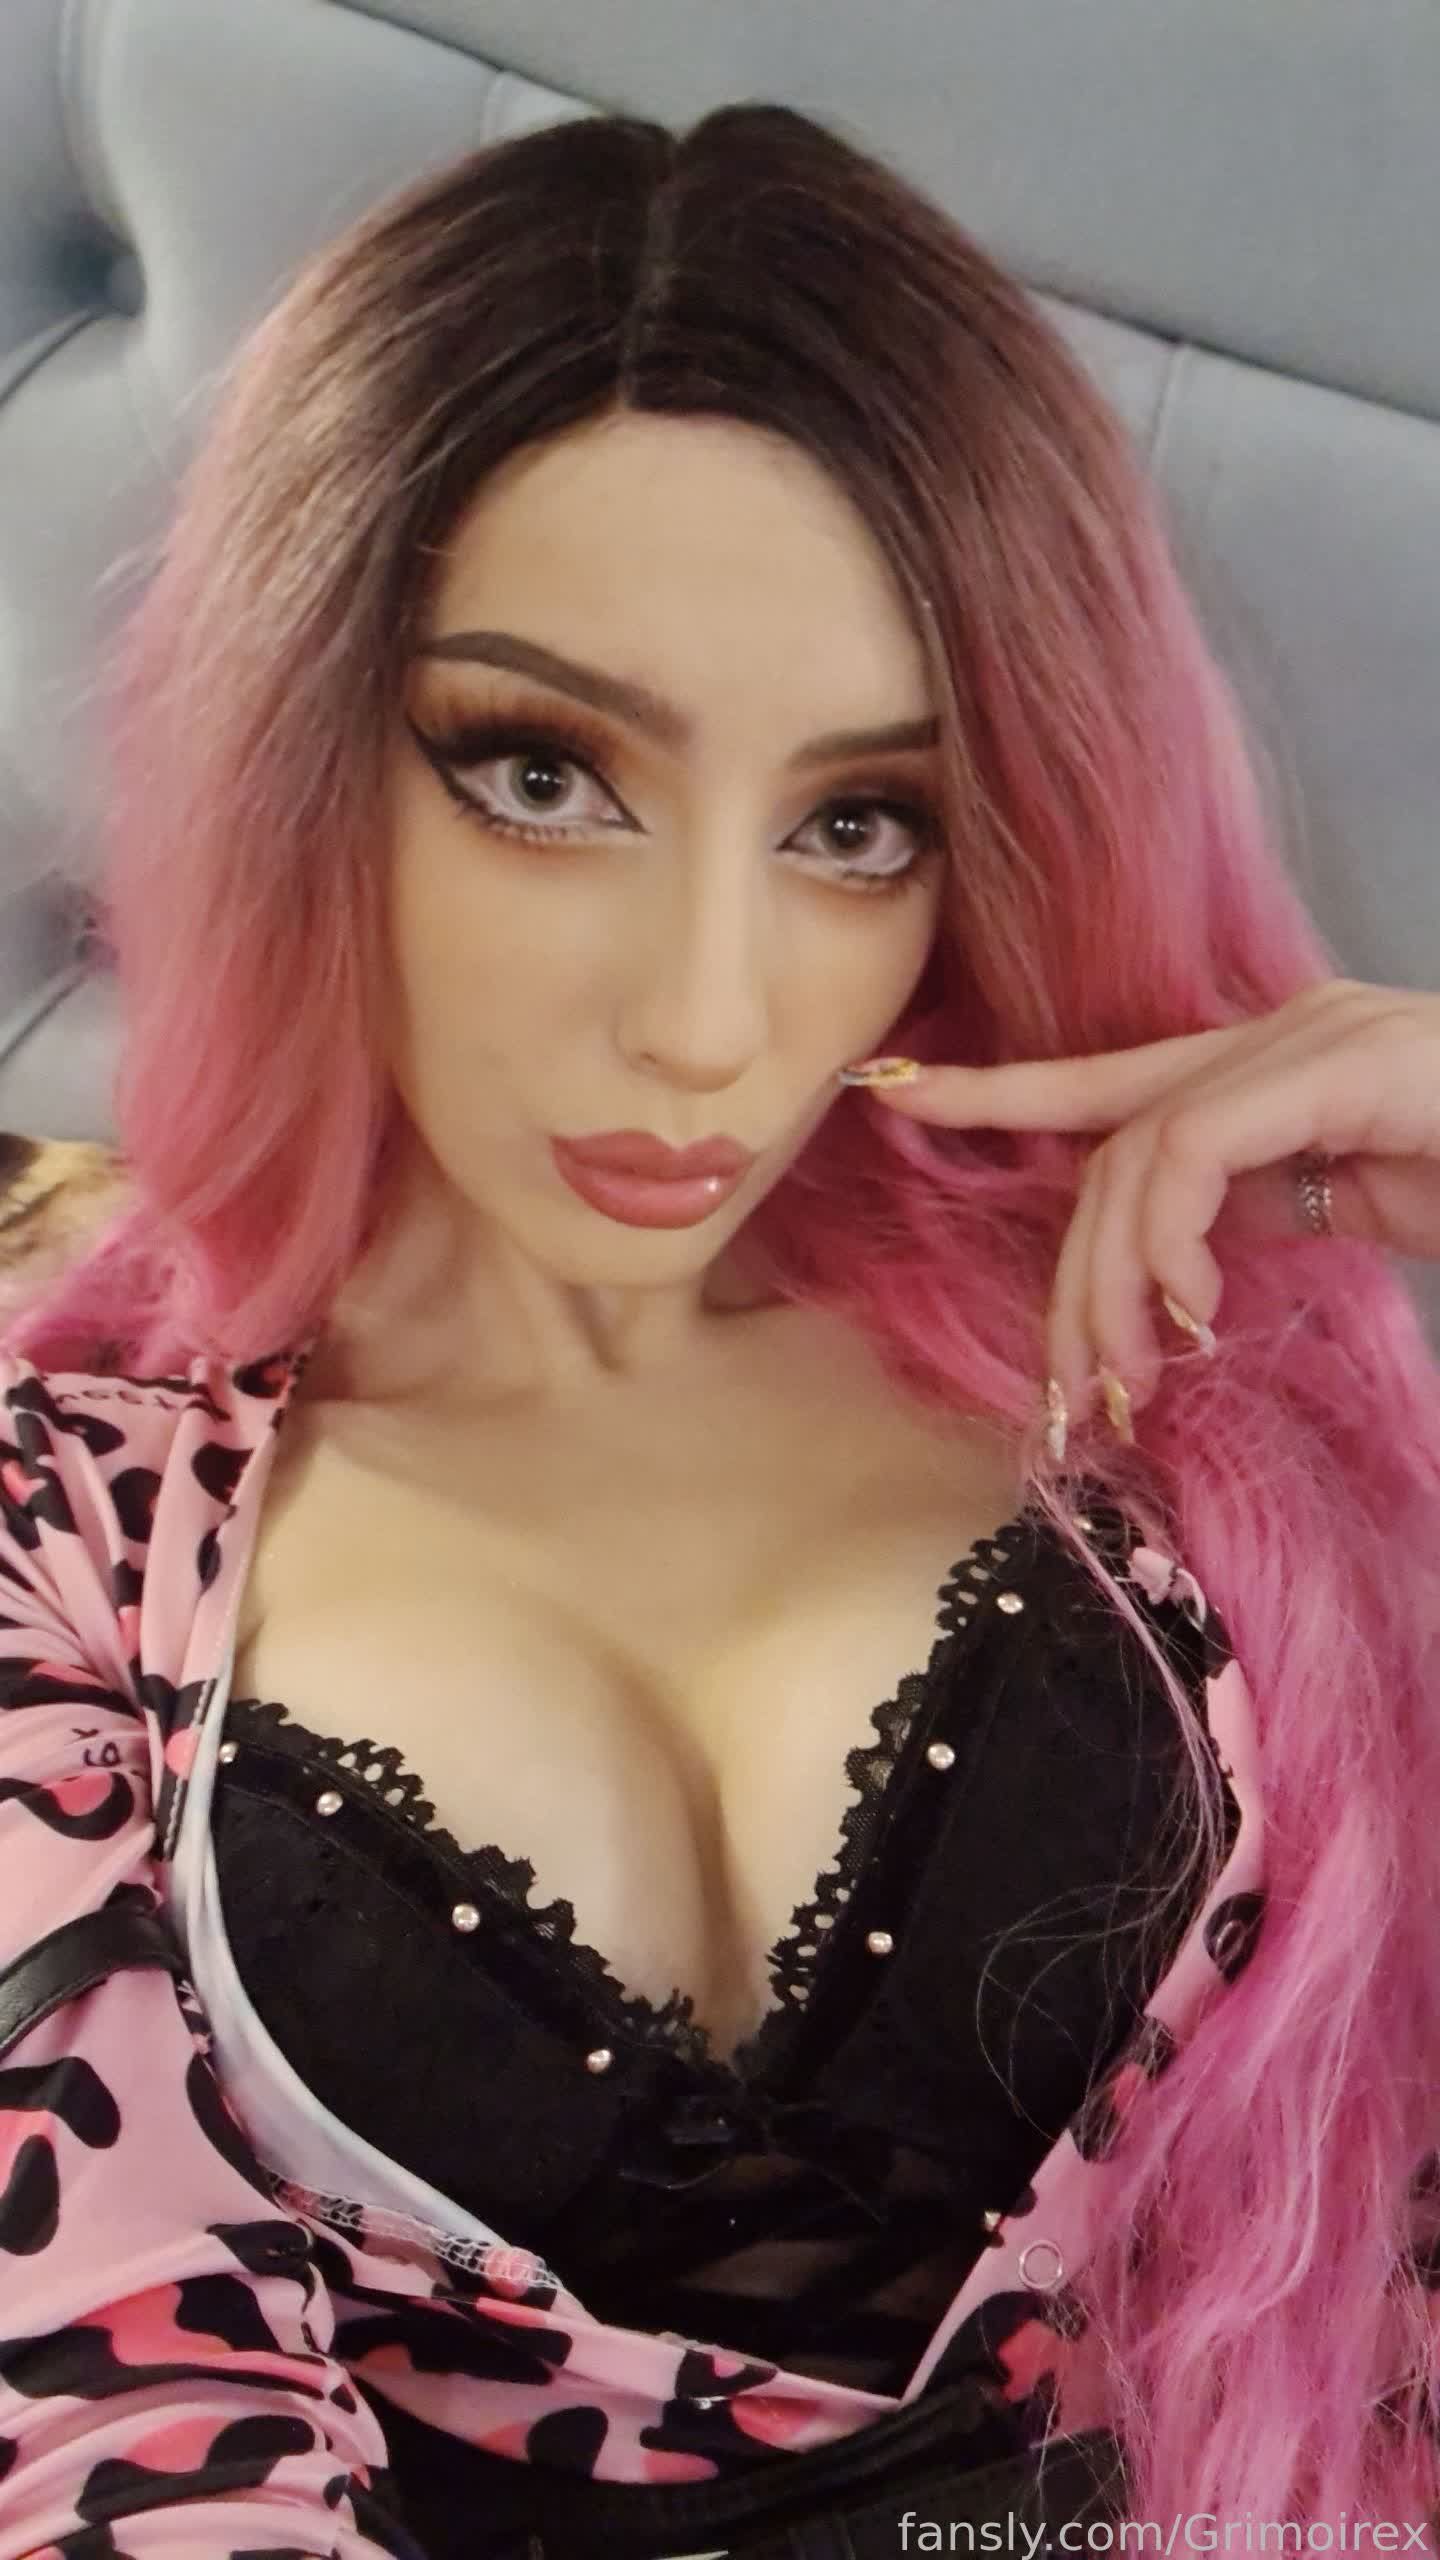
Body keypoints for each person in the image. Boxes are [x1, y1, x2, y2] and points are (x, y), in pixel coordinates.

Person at [1, 99, 1439, 2560]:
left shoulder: (1188, 1358)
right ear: (301, 743)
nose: (703, 1016)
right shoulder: (70, 1536)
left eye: (856, 823)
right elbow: (112, 2429)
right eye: (545, 773)